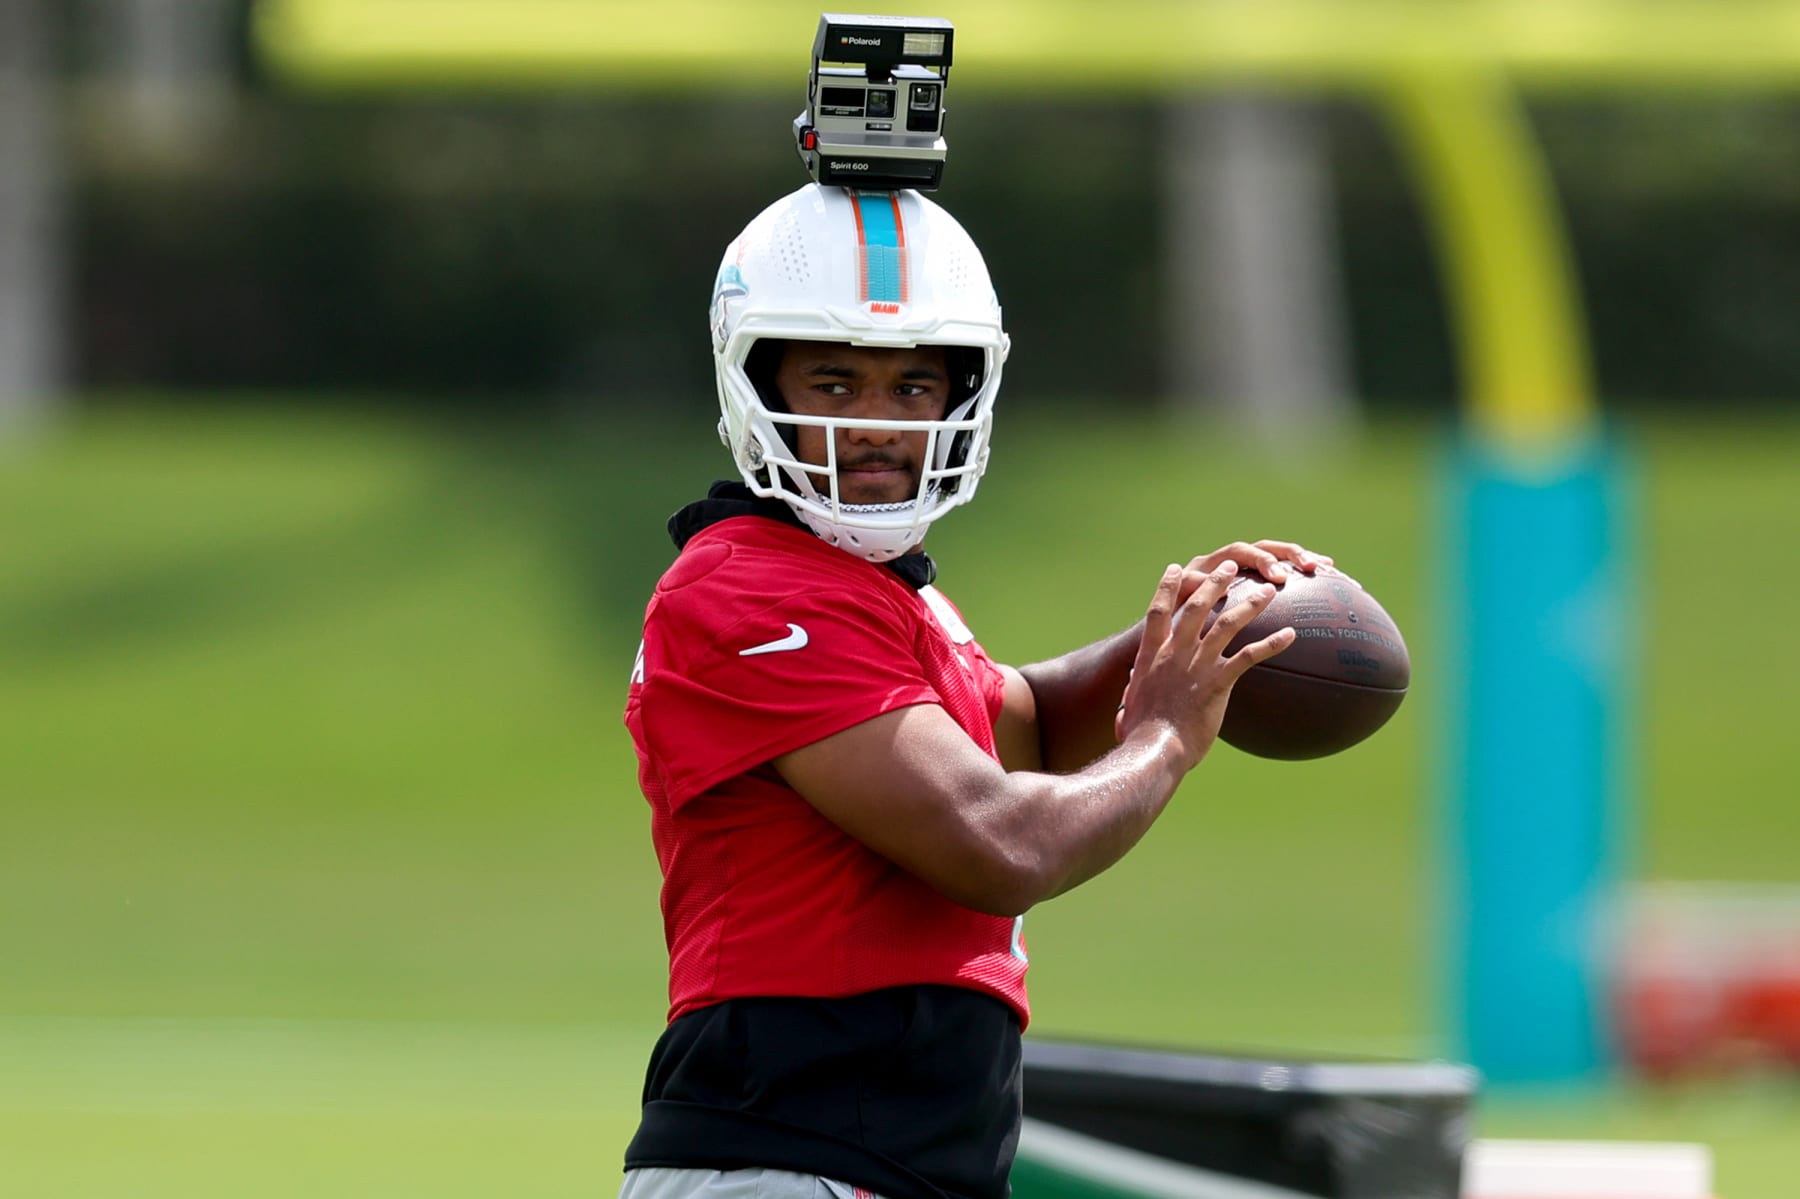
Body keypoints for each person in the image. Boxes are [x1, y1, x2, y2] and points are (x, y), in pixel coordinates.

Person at [620, 184, 1333, 1199]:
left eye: (913, 386)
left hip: (882, 1160)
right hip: (791, 1154)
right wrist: (1169, 735)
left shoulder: (881, 592)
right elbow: (1002, 841)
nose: (874, 422)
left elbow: (1029, 724)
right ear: (754, 380)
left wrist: (1187, 625)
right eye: (833, 380)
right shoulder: (747, 586)